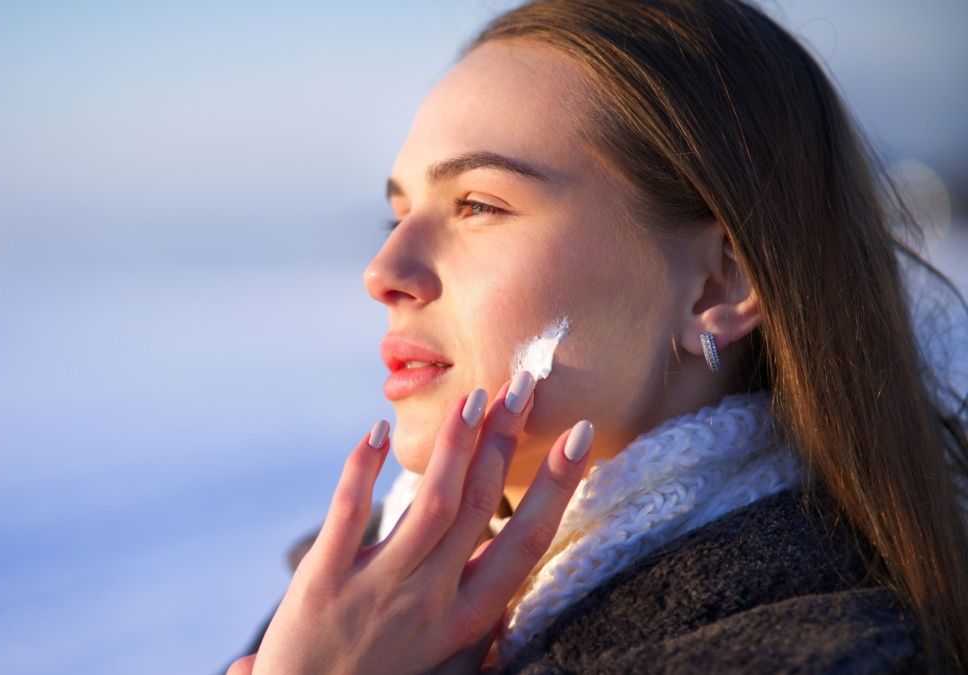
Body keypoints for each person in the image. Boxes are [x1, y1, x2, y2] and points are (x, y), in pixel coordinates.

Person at [229, 0, 968, 672]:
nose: (384, 271)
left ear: (719, 285)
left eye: (479, 204)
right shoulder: (349, 610)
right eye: (400, 216)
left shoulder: (837, 652)